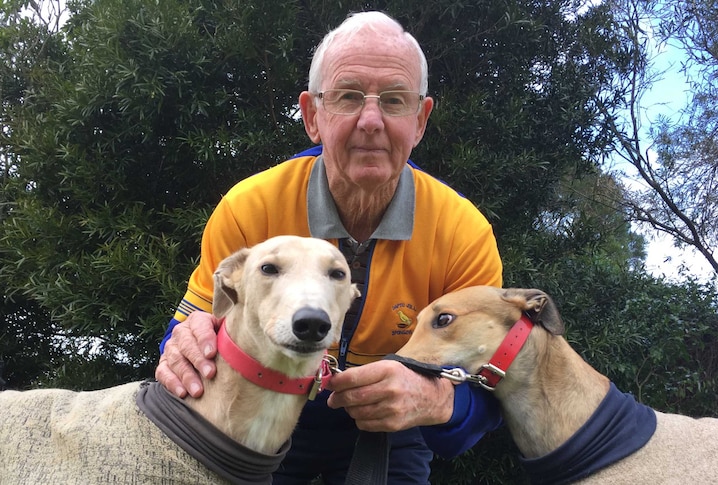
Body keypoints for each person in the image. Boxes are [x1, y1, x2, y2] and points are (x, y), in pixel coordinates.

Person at [156, 11, 504, 484]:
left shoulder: (464, 234)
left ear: (420, 121)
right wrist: (184, 346)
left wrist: (437, 399)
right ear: (312, 115)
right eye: (348, 96)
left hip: (391, 422)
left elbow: (487, 391)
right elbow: (185, 342)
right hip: (260, 398)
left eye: (396, 100)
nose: (371, 120)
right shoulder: (247, 208)